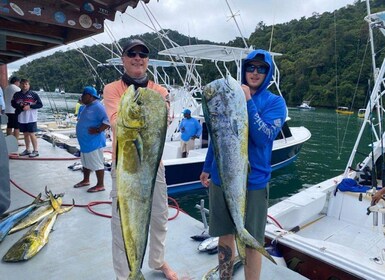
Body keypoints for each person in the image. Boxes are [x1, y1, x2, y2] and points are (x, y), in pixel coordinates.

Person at [200, 49, 287, 279]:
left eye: (261, 68)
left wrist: (247, 101)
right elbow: (219, 134)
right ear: (244, 69)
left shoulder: (275, 102)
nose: (255, 72)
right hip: (221, 178)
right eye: (250, 67)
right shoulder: (230, 94)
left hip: (254, 182)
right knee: (224, 235)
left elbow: (263, 137)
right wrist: (207, 166)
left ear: (268, 72)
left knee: (252, 241)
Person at [103, 38, 178, 280]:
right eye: (132, 54)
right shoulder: (112, 89)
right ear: (123, 59)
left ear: (147, 60)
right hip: (126, 166)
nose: (138, 58)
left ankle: (157, 261)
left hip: (153, 166)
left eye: (142, 54)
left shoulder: (160, 91)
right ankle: (127, 275)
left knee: (159, 216)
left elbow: (163, 123)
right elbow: (117, 122)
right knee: (122, 222)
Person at [73, 86, 110, 193]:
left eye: (84, 95)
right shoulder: (87, 106)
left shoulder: (98, 107)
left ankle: (100, 184)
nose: (81, 97)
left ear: (89, 96)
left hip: (94, 142)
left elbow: (108, 120)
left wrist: (98, 130)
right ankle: (86, 179)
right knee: (85, 162)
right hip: (85, 142)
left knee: (97, 163)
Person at [11, 79, 43, 158]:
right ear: (20, 85)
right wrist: (20, 107)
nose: (24, 86)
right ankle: (27, 149)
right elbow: (13, 103)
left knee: (31, 133)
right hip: (21, 117)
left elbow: (40, 105)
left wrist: (30, 106)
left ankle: (35, 151)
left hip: (31, 118)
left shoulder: (34, 94)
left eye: (26, 84)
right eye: (23, 84)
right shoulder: (16, 94)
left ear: (29, 85)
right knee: (25, 134)